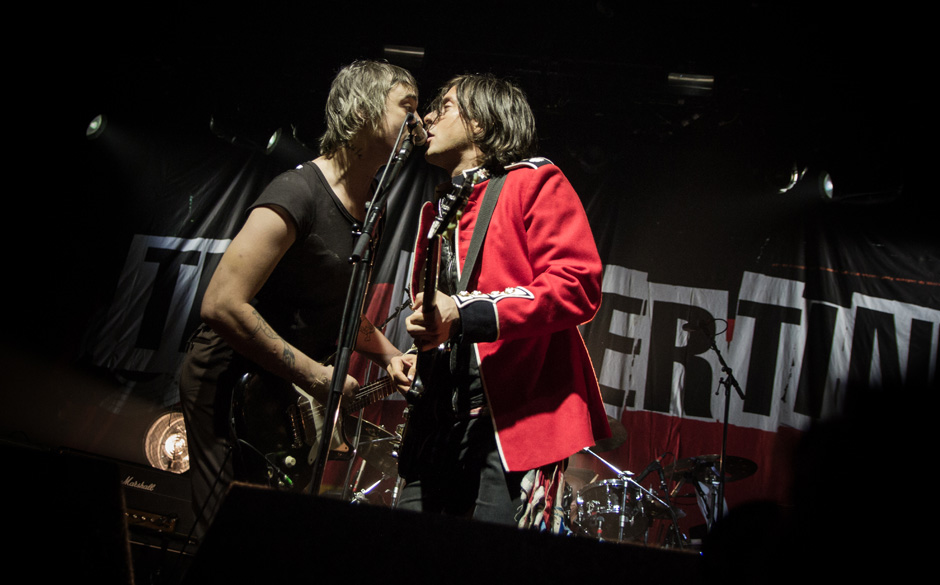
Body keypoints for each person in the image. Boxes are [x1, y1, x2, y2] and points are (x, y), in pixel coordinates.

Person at [179, 60, 419, 539]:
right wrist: (316, 376)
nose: (419, 124)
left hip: (284, 393)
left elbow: (339, 311)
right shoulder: (298, 191)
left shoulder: (373, 208)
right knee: (228, 531)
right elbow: (222, 304)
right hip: (232, 384)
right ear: (364, 111)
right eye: (407, 108)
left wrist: (391, 356)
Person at [387, 73, 611, 530]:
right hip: (438, 425)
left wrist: (465, 313)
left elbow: (576, 284)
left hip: (512, 423)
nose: (427, 118)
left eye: (444, 107)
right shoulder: (438, 212)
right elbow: (447, 317)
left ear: (481, 124)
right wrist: (421, 355)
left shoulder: (534, 181)